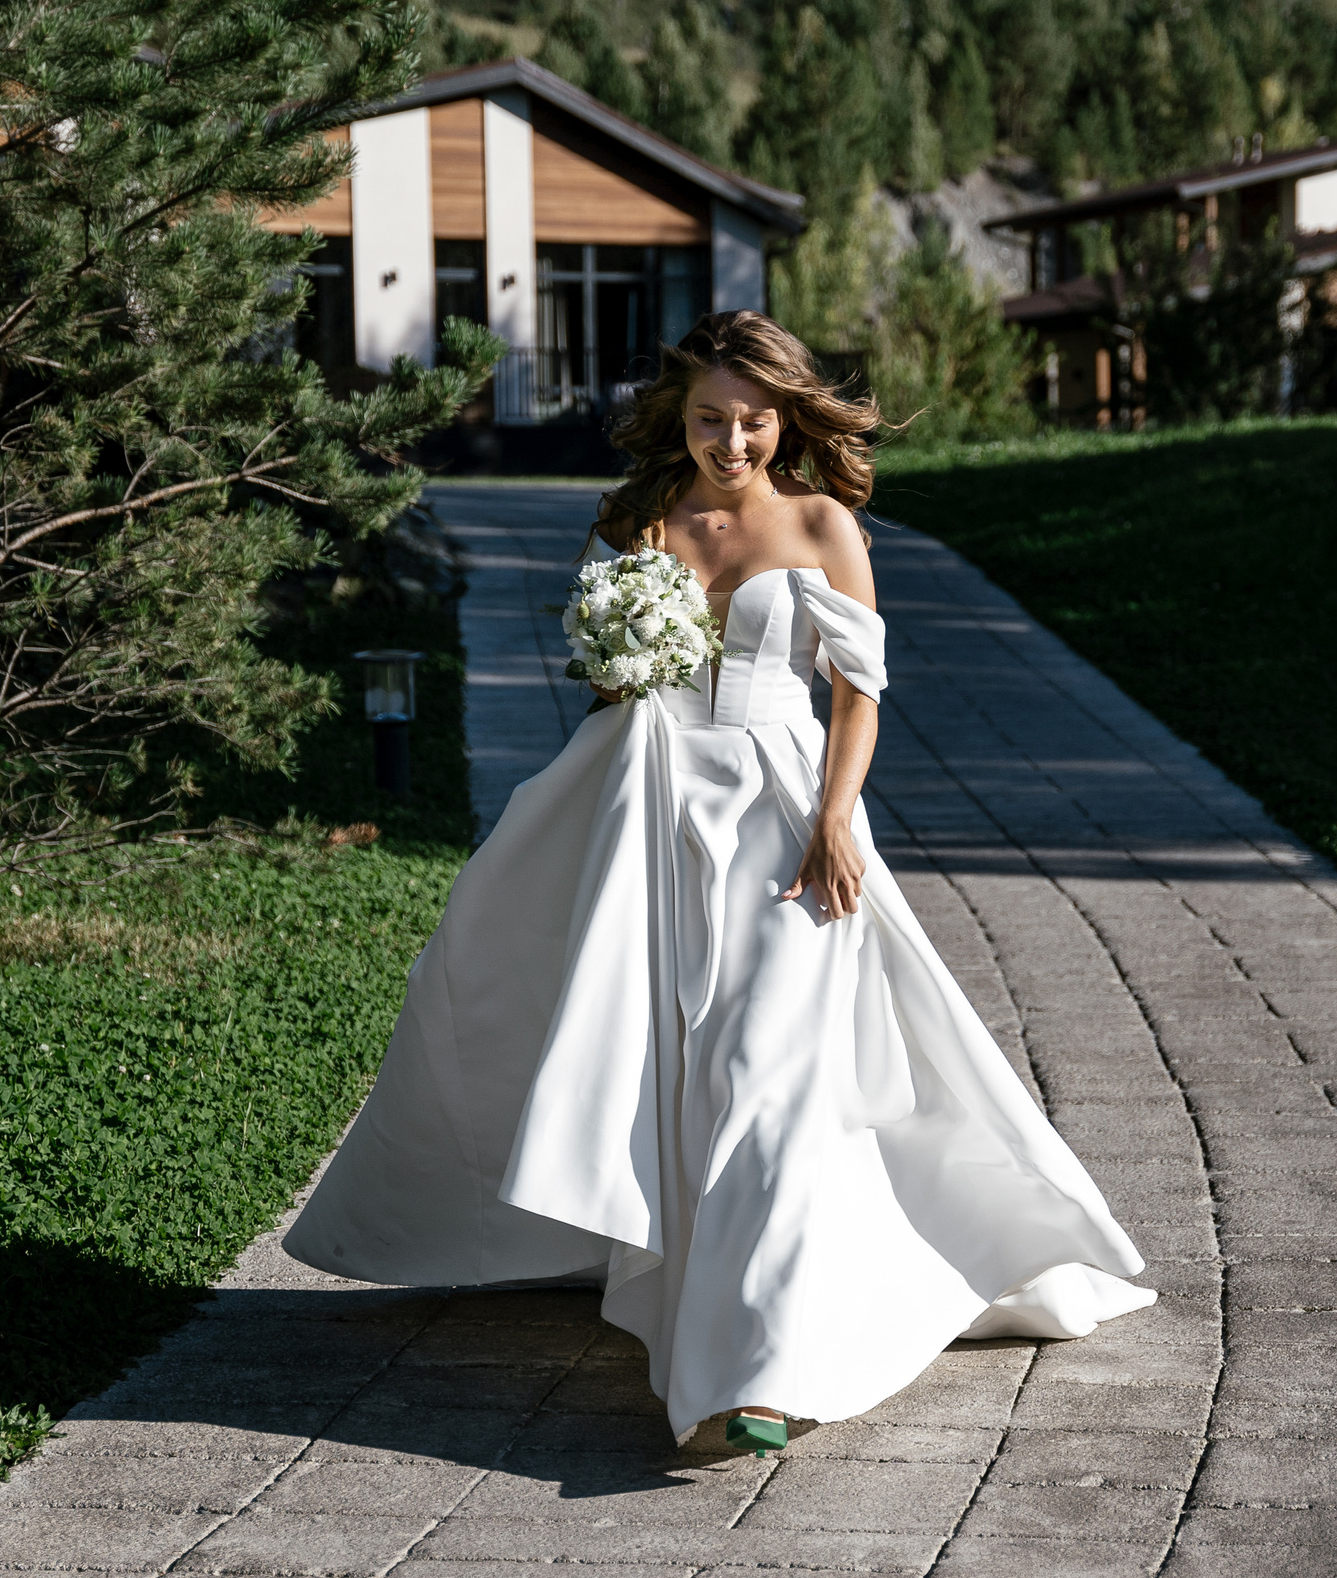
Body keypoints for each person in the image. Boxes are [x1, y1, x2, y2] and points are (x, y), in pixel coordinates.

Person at [283, 311, 1152, 1454]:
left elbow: (859, 691)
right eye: (708, 418)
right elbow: (603, 680)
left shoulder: (821, 522)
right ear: (677, 414)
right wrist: (620, 663)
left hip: (779, 809)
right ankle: (665, 1273)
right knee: (630, 1042)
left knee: (765, 1069)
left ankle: (754, 1372)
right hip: (643, 797)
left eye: (751, 421)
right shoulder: (637, 519)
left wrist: (835, 821)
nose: (730, 442)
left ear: (784, 419)